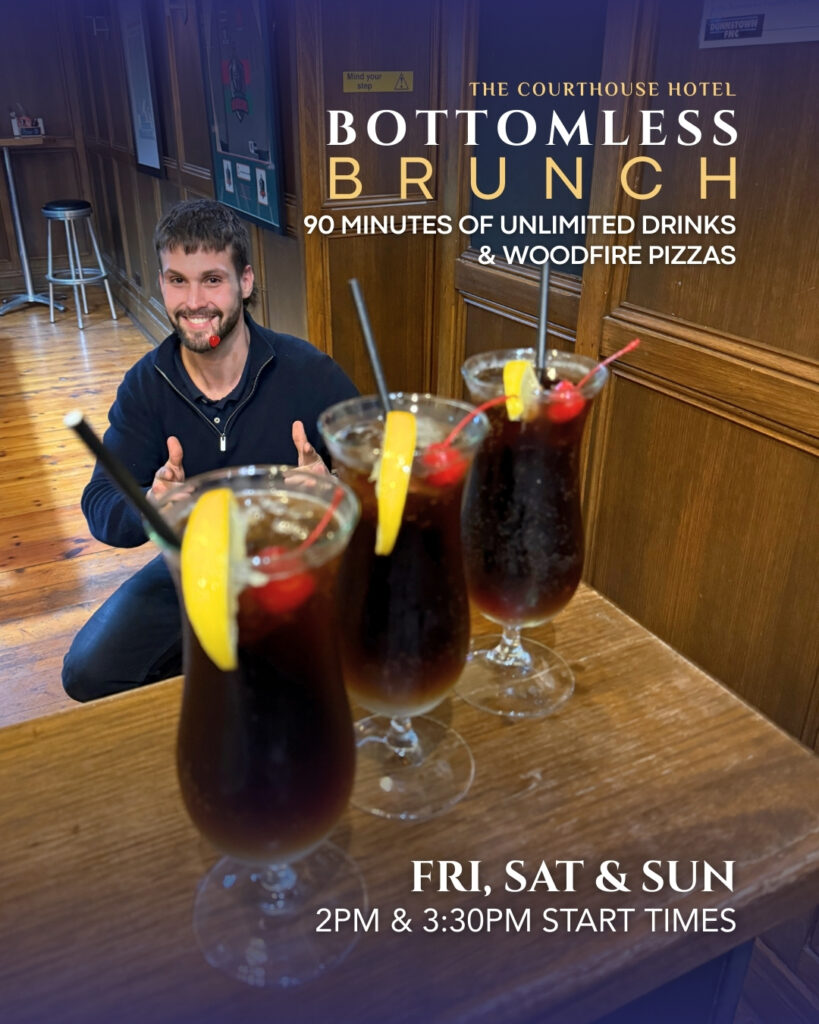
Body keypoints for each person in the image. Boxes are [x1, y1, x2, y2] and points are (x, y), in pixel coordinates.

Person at [62, 199, 358, 701]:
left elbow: (387, 476)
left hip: (297, 572)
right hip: (195, 567)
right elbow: (101, 502)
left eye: (212, 280)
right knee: (88, 671)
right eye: (178, 280)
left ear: (244, 282)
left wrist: (334, 493)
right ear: (161, 283)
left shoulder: (309, 372)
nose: (194, 301)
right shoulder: (146, 386)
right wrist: (151, 510)